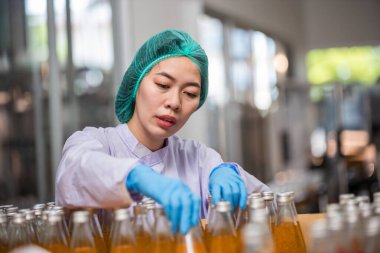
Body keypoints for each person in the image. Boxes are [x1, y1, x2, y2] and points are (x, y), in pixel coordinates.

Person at [55, 29, 270, 234]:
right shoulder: (95, 143)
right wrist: (134, 176)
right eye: (163, 85)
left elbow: (272, 208)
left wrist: (231, 174)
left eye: (190, 93)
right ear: (136, 82)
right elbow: (73, 173)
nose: (175, 103)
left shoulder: (199, 159)